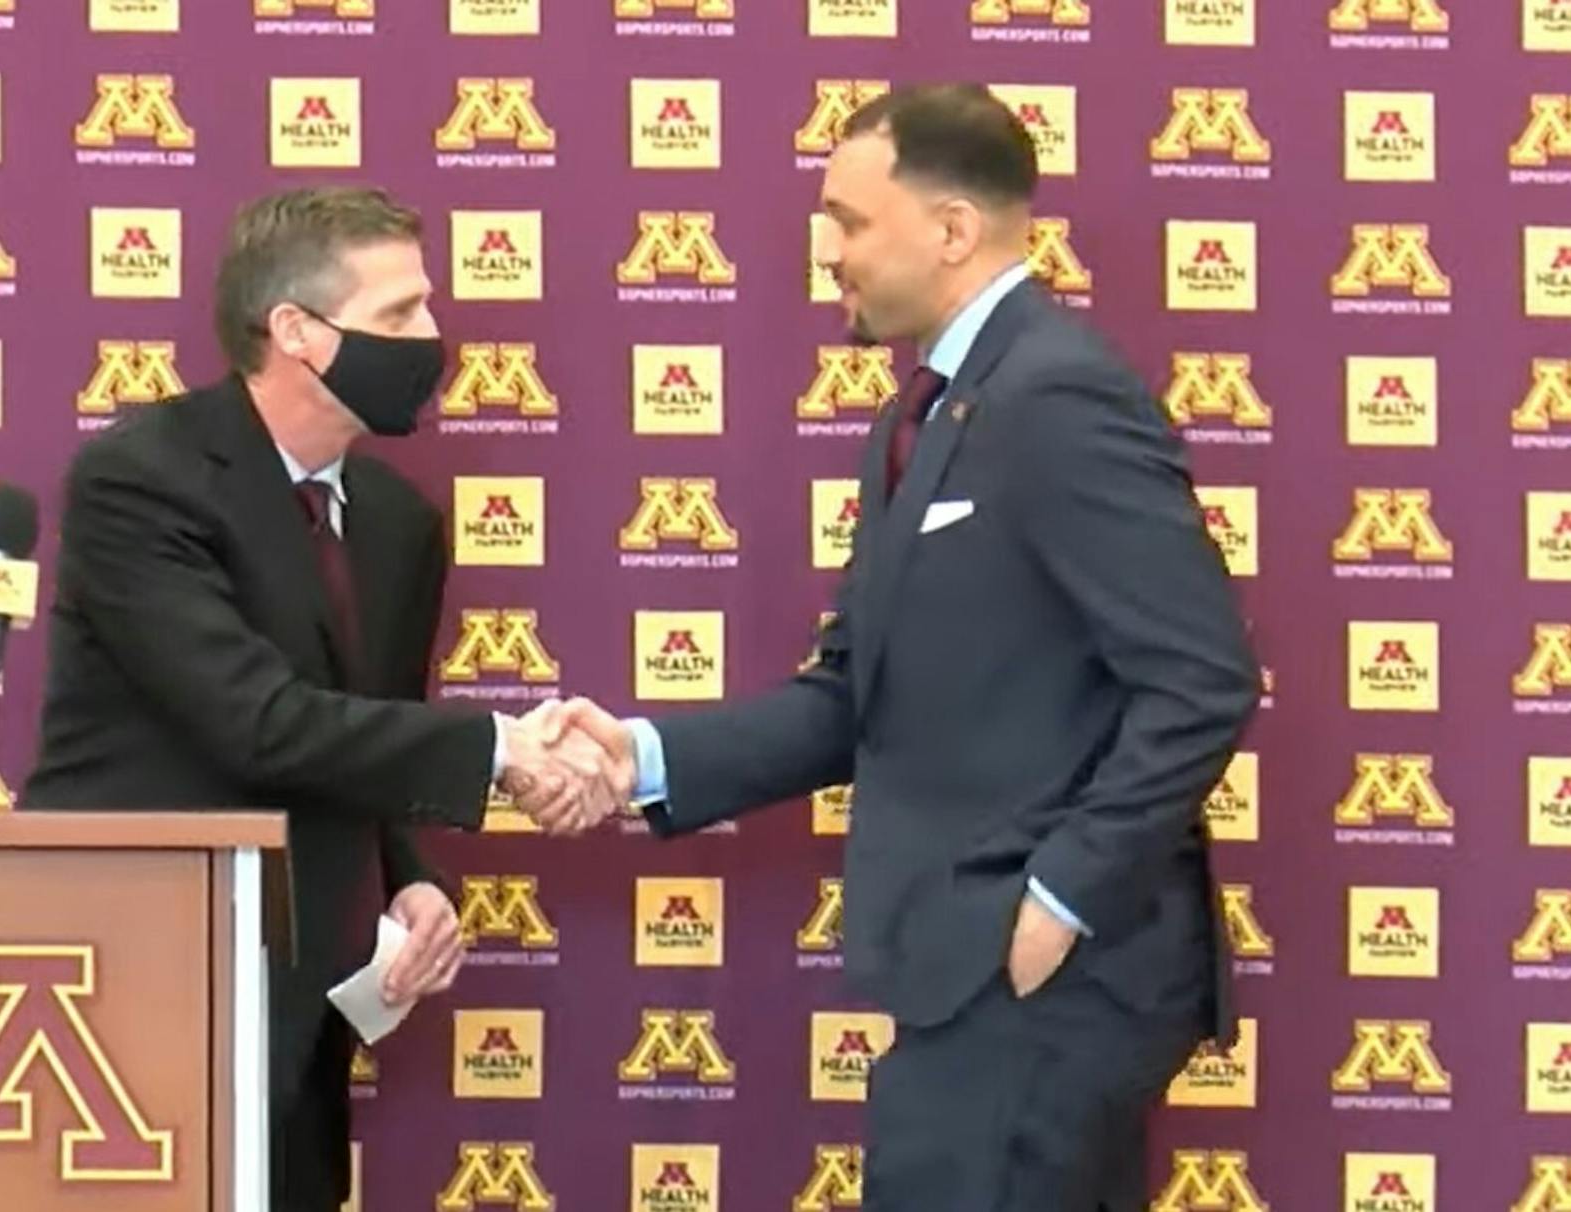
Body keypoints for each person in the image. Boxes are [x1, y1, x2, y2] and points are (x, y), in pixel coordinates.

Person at [538, 85, 1260, 1211]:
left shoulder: (1055, 394)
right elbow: (854, 693)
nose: (824, 251)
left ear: (953, 229)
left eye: (849, 220)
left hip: (1045, 988)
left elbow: (1201, 678)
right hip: (975, 982)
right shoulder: (928, 410)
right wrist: (646, 759)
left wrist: (1061, 897)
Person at [20, 186, 611, 1212]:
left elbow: (367, 737)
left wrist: (408, 880)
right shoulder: (140, 481)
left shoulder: (395, 521)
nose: (433, 337)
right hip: (121, 989)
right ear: (295, 330)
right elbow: (255, 721)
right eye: (399, 313)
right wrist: (503, 750)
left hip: (303, 1011)